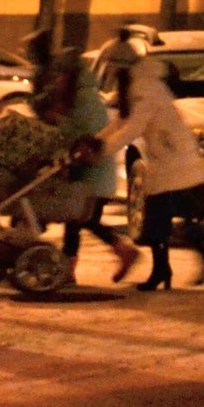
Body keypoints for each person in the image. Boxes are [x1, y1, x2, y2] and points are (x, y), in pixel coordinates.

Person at [26, 31, 139, 282]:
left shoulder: (83, 101)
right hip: (89, 169)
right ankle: (72, 270)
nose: (55, 80)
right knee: (77, 221)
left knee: (80, 220)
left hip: (94, 171)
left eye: (59, 75)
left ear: (69, 75)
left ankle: (122, 252)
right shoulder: (82, 95)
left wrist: (52, 138)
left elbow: (74, 133)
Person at [108, 36, 204, 292]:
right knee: (167, 220)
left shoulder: (146, 89)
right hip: (169, 161)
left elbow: (133, 127)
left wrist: (102, 150)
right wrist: (98, 142)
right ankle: (179, 267)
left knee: (162, 220)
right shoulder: (140, 85)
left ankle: (170, 270)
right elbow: (122, 123)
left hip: (175, 162)